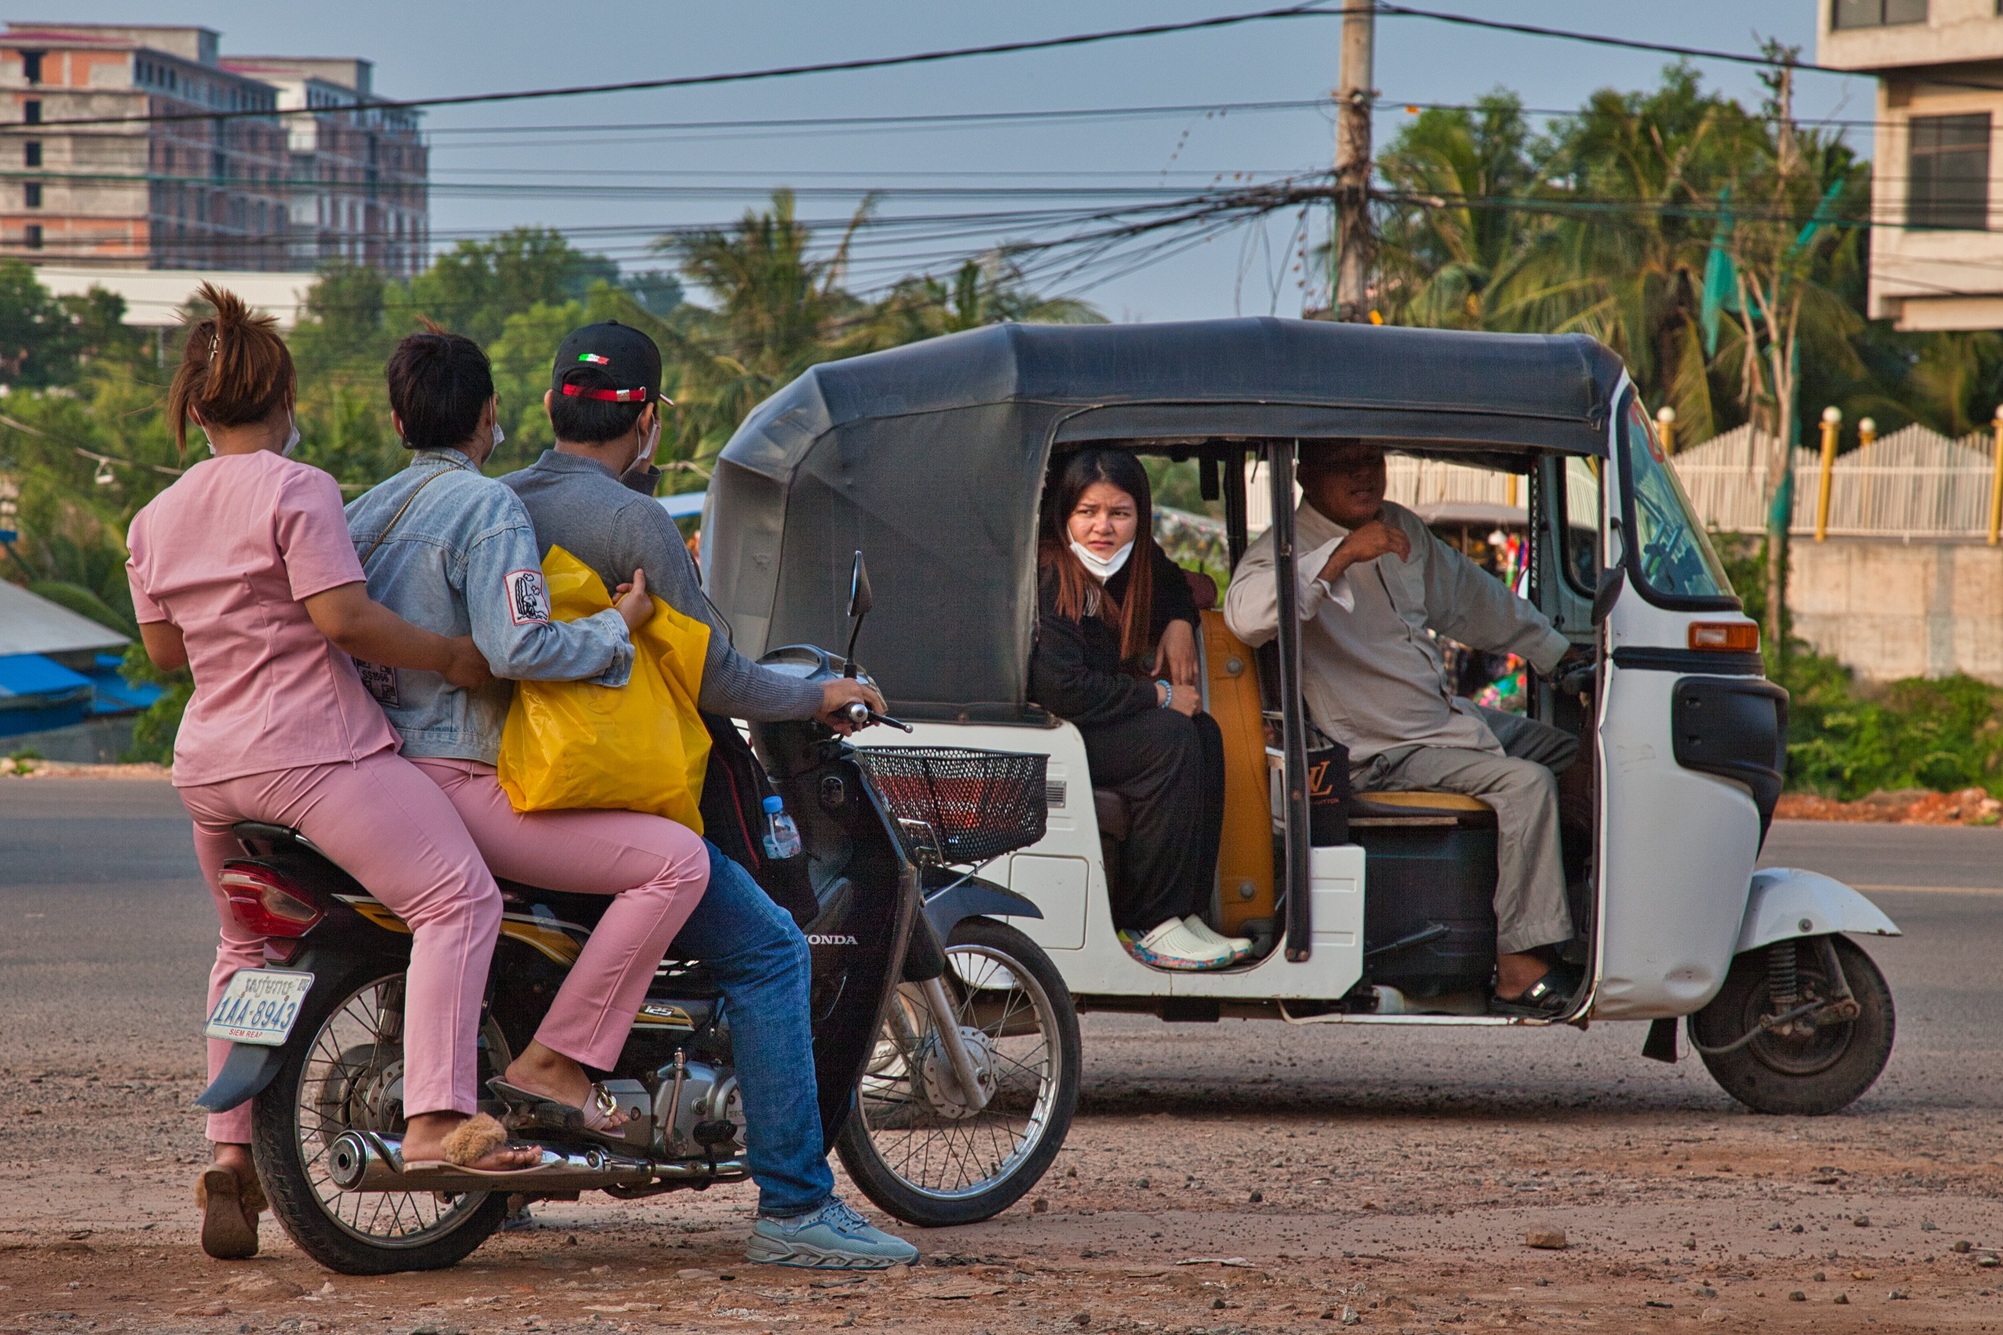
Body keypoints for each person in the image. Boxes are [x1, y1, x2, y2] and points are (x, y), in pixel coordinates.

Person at [124, 286, 540, 1263]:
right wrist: (449, 656)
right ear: (284, 397)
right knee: (457, 902)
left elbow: (164, 654)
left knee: (246, 948)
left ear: (196, 403)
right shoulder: (298, 488)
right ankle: (436, 1117)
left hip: (210, 771)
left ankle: (232, 1156)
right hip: (316, 756)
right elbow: (344, 622)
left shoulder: (156, 518)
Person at [502, 320, 916, 1268]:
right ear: (644, 418)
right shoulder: (630, 520)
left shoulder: (501, 502)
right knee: (771, 951)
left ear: (553, 404)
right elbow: (714, 676)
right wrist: (818, 694)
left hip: (508, 791)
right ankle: (795, 1206)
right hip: (612, 795)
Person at [345, 325, 709, 1134]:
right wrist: (619, 625)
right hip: (461, 779)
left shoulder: (360, 512)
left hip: (378, 778)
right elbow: (520, 646)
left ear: (399, 424)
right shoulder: (489, 505)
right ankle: (558, 1057)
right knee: (678, 862)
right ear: (492, 414)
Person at [1223, 439, 1589, 1015]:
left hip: (1444, 721)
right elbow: (1245, 616)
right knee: (1527, 785)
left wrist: (1555, 653)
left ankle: (1560, 918)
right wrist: (1340, 556)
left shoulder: (1400, 528)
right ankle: (1519, 964)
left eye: (1372, 461)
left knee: (1573, 758)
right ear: (1305, 474)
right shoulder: (1289, 549)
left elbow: (1474, 600)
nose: (1364, 475)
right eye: (1345, 464)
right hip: (1381, 747)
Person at [1028, 447, 1245, 970]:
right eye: (1088, 512)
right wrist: (1159, 695)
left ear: (1138, 518)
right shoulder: (1054, 573)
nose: (1103, 527)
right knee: (1169, 739)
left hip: (1092, 722)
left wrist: (1177, 621)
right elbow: (1061, 688)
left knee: (1205, 735)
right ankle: (1150, 922)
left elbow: (1169, 581)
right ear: (1066, 515)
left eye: (1119, 514)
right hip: (1054, 728)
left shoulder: (1127, 562)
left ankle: (1184, 913)